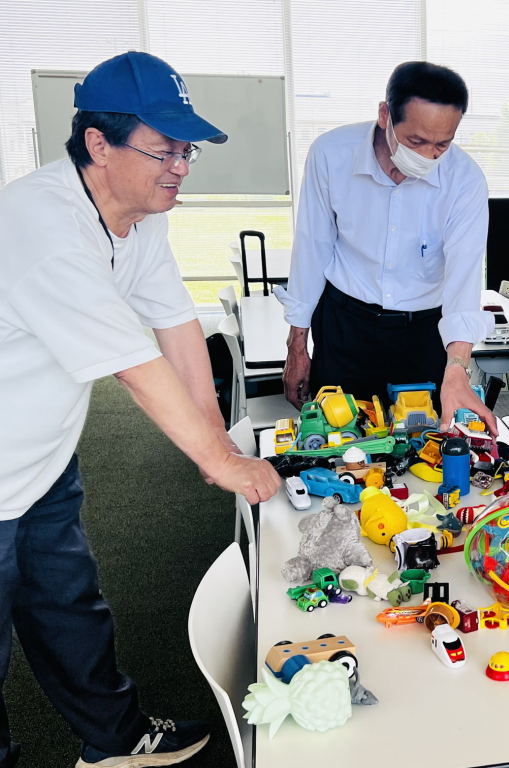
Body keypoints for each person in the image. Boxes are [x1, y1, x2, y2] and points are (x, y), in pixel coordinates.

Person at [0, 52, 280, 768]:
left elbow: (176, 325)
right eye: (164, 151)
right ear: (98, 144)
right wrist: (218, 462)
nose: (181, 168)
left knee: (70, 610)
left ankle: (115, 741)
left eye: (187, 151)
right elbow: (135, 367)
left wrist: (220, 440)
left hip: (40, 463)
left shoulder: (140, 216)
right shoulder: (42, 224)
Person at [278, 61, 498, 436]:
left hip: (422, 333)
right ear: (385, 115)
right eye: (416, 142)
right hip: (345, 325)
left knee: (420, 439)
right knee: (338, 439)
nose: (429, 156)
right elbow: (312, 251)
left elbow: (463, 282)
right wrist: (296, 346)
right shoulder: (331, 155)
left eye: (442, 144)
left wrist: (457, 368)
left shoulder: (465, 180)